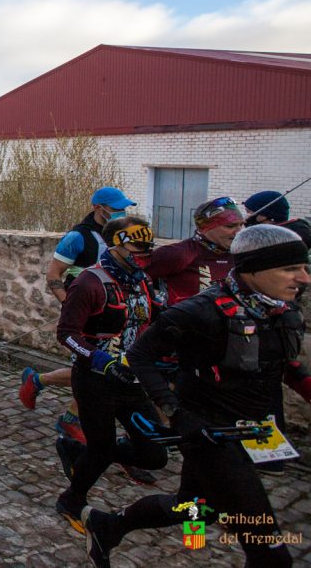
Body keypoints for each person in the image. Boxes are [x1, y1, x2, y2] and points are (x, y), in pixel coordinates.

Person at [84, 225, 311, 568]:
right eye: (290, 268)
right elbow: (141, 355)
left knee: (195, 507)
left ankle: (108, 524)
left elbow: (284, 366)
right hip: (209, 435)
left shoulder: (282, 310)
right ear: (253, 269)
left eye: (305, 267)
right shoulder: (200, 312)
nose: (304, 278)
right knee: (271, 555)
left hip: (250, 430)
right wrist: (175, 412)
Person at [53, 216, 168, 534]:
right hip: (96, 382)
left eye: (149, 245)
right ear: (116, 246)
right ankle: (72, 500)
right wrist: (99, 358)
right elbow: (66, 334)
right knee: (101, 448)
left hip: (133, 380)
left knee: (155, 453)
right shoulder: (90, 282)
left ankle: (80, 451)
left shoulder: (142, 279)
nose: (144, 252)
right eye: (137, 246)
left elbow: (153, 318)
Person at [22, 187, 135, 441]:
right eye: (116, 208)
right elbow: (54, 274)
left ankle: (40, 384)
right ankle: (68, 417)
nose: (122, 212)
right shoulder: (78, 237)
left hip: (113, 313)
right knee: (94, 369)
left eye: (124, 207)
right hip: (86, 317)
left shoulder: (121, 236)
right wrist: (68, 304)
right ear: (99, 208)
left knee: (95, 369)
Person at [145, 196, 242, 306]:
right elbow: (134, 277)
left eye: (241, 225)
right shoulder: (179, 253)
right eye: (230, 226)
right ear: (206, 227)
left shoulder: (240, 256)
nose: (239, 232)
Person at [244, 190, 311, 248]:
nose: (246, 215)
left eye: (248, 211)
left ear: (263, 216)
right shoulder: (294, 234)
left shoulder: (268, 240)